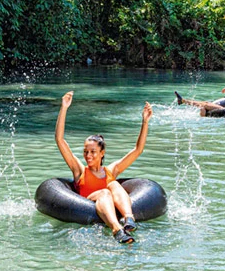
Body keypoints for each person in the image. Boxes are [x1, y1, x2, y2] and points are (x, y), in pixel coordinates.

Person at [55, 90, 152, 244]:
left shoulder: (110, 170)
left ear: (102, 153)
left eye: (93, 152)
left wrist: (145, 122)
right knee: (104, 193)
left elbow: (138, 150)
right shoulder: (79, 170)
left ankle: (129, 218)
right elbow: (60, 140)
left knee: (113, 184)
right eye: (86, 152)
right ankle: (116, 229)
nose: (88, 156)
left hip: (110, 204)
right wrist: (64, 108)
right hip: (89, 204)